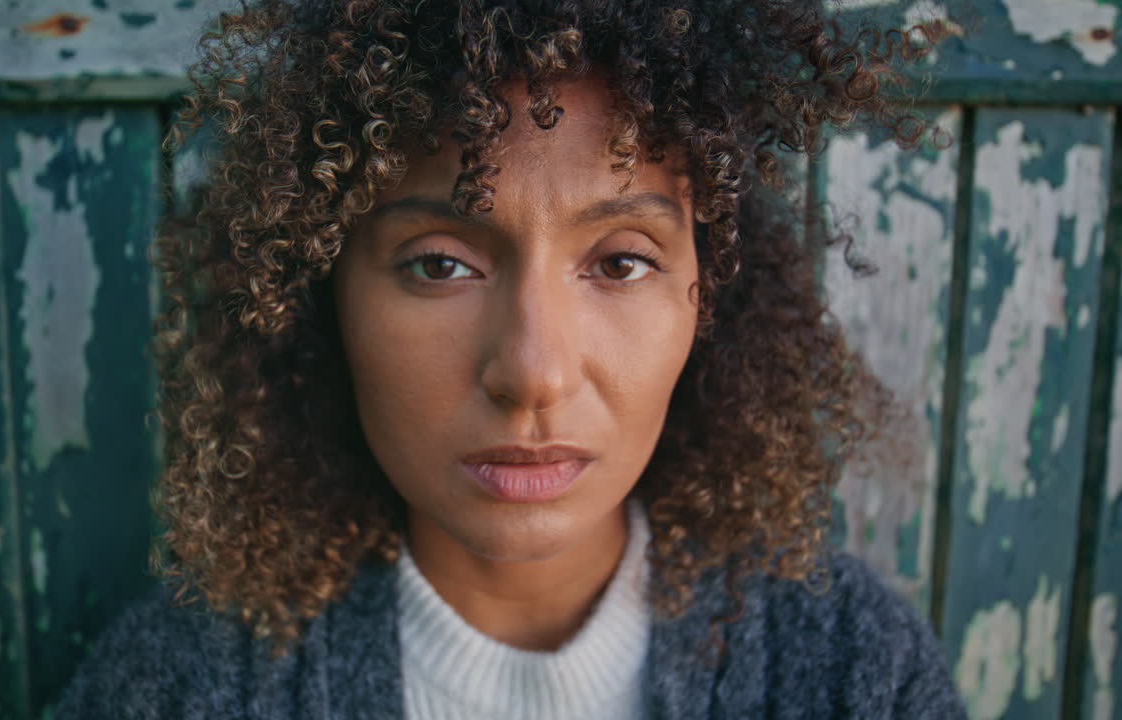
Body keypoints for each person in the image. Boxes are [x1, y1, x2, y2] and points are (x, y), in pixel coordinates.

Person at [56, 1, 965, 717]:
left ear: (709, 289)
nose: (534, 373)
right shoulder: (176, 689)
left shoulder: (855, 671)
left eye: (620, 262)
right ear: (317, 293)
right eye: (441, 264)